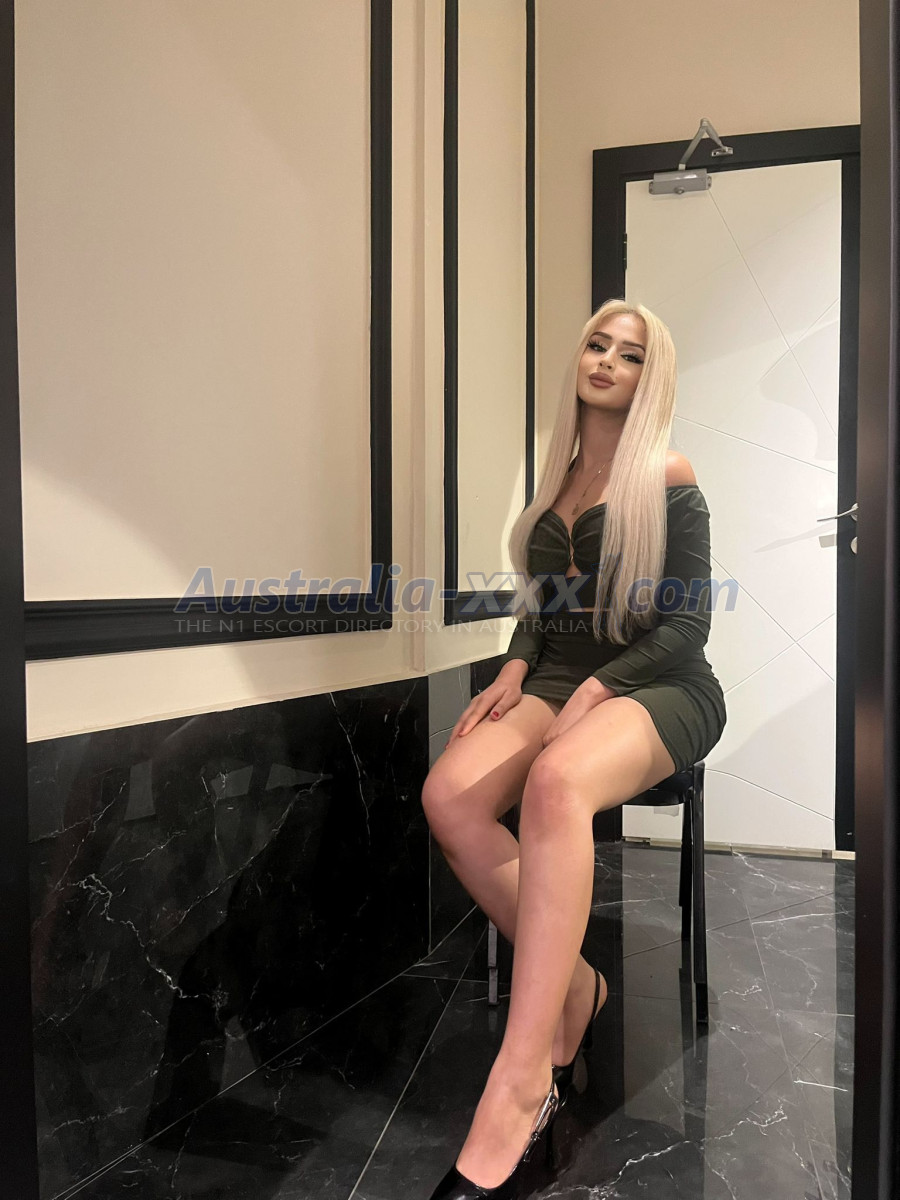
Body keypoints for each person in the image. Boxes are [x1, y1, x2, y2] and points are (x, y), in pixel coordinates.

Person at [422, 298, 727, 1198]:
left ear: (649, 377)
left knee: (557, 781)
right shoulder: (556, 478)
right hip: (556, 673)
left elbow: (688, 624)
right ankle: (580, 986)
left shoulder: (667, 473)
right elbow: (543, 607)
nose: (606, 362)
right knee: (449, 798)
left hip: (660, 681)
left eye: (629, 355)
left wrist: (598, 691)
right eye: (597, 345)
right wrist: (517, 665)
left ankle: (521, 1085)